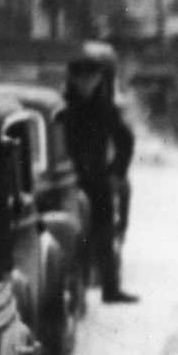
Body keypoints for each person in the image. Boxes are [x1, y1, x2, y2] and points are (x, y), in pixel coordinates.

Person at [63, 59, 138, 303]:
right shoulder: (63, 108)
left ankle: (110, 288)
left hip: (97, 179)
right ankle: (76, 294)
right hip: (68, 180)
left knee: (104, 234)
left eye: (91, 79)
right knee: (74, 237)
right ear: (73, 79)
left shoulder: (104, 109)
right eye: (82, 78)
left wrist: (116, 170)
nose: (87, 84)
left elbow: (125, 139)